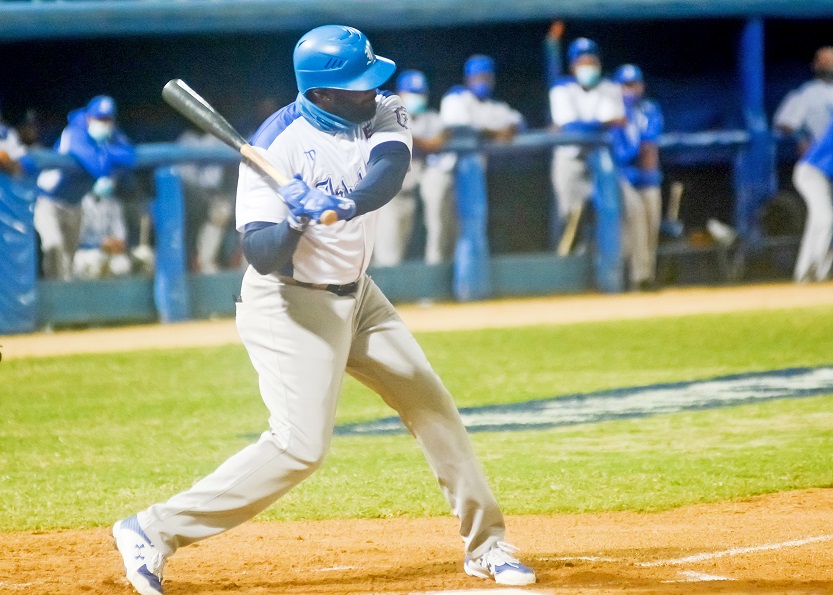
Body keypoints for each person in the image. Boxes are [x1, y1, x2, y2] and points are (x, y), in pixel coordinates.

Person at [112, 24, 536, 595]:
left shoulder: (385, 110)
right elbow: (262, 256)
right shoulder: (273, 148)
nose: (373, 91)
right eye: (359, 85)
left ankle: (487, 546)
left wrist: (342, 202)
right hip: (290, 306)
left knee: (432, 406)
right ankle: (150, 530)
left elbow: (387, 172)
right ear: (322, 92)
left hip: (360, 297)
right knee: (299, 447)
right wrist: (292, 217)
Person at [34, 95, 136, 280]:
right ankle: (53, 301)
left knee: (69, 260)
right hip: (49, 200)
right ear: (89, 117)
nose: (103, 123)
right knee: (54, 246)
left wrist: (104, 155)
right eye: (99, 118)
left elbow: (130, 155)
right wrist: (108, 159)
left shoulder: (110, 134)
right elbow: (96, 164)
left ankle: (66, 301)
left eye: (107, 119)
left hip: (75, 204)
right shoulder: (75, 131)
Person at [547, 29, 626, 250]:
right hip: (570, 159)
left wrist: (575, 127)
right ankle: (568, 267)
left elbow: (574, 126)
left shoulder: (610, 88)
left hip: (601, 159)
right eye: (582, 62)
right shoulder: (561, 89)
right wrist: (604, 123)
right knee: (569, 218)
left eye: (592, 61)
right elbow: (574, 128)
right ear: (573, 66)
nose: (588, 66)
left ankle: (607, 268)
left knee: (610, 215)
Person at [372, 69, 453, 267]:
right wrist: (427, 143)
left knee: (397, 254)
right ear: (400, 94)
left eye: (419, 93)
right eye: (411, 93)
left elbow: (446, 132)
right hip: (386, 197)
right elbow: (407, 137)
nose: (416, 97)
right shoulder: (388, 114)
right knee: (386, 257)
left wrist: (433, 141)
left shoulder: (430, 118)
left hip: (410, 194)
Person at [611, 64, 665, 290]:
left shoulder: (650, 109)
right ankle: (638, 277)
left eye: (634, 84)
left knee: (652, 219)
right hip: (620, 175)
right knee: (636, 214)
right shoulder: (610, 112)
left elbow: (649, 147)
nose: (630, 89)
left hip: (646, 176)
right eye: (625, 85)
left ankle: (645, 275)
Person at [175, 129, 237, 273]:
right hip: (190, 195)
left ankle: (206, 261)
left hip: (214, 193)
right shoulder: (185, 139)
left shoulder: (216, 139)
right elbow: (183, 179)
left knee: (221, 211)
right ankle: (197, 261)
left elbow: (233, 167)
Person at [791, 117, 833, 282]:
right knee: (826, 220)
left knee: (817, 223)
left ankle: (803, 272)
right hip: (811, 174)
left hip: (818, 176)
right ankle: (818, 270)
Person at [773, 46, 833, 158]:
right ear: (815, 65)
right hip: (822, 159)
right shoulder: (807, 92)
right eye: (825, 61)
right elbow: (785, 125)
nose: (829, 65)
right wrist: (800, 138)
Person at [72, 191, 132, 279]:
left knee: (123, 265)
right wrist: (101, 243)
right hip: (85, 251)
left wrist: (111, 243)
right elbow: (76, 236)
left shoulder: (114, 203)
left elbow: (121, 236)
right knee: (93, 264)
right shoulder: (80, 202)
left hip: (109, 252)